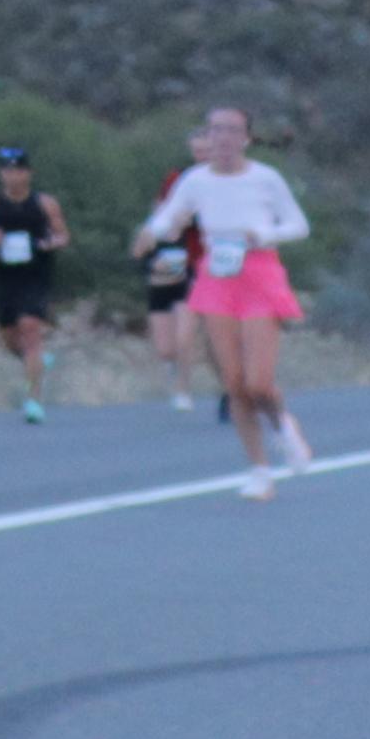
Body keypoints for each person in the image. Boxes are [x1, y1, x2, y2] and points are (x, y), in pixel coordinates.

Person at [135, 110, 313, 499]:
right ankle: (259, 470)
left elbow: (299, 226)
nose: (224, 138)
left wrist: (263, 233)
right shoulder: (194, 180)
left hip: (260, 273)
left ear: (246, 138)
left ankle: (283, 426)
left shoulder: (266, 178)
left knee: (258, 382)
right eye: (216, 130)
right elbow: (170, 217)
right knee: (234, 383)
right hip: (217, 275)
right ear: (208, 137)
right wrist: (155, 231)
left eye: (233, 131)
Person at [0, 146, 71, 421]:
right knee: (10, 338)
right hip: (4, 278)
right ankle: (36, 363)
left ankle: (34, 401)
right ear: (1, 175)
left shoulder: (45, 204)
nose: (13, 176)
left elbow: (63, 236)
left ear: (28, 173)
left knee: (30, 328)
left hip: (36, 276)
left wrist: (52, 243)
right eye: (7, 171)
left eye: (18, 171)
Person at [135, 180, 202, 403]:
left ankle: (183, 389)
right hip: (159, 289)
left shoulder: (191, 233)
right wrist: (153, 265)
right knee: (165, 349)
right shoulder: (149, 231)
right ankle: (173, 371)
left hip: (185, 288)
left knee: (184, 339)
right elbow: (136, 258)